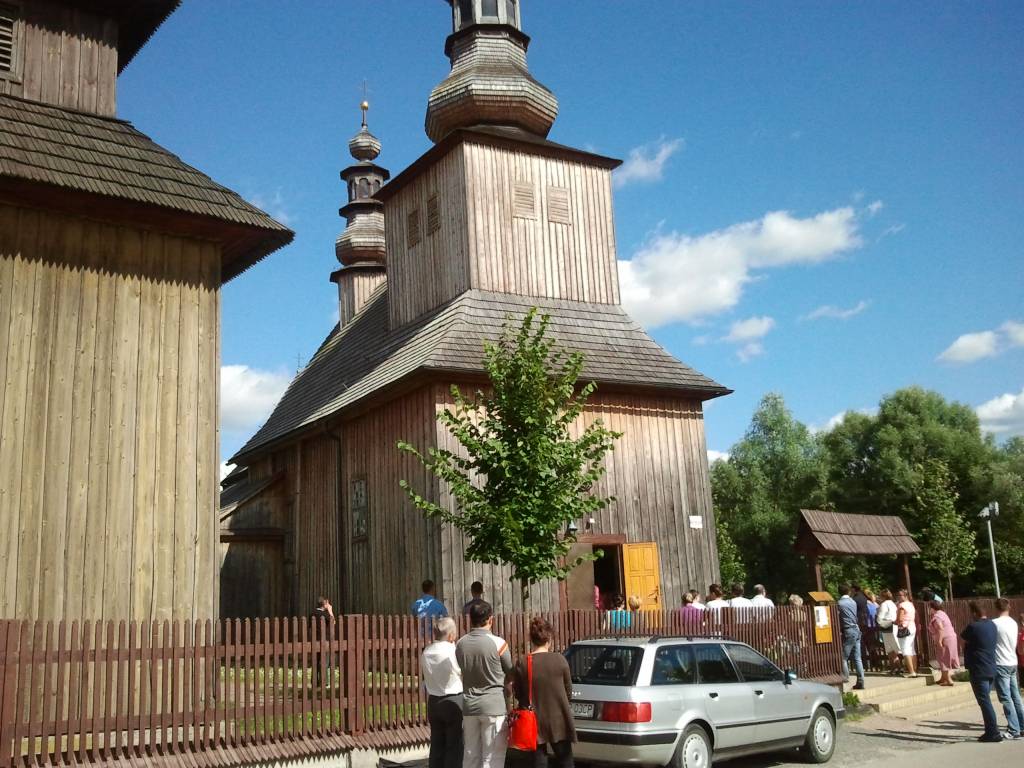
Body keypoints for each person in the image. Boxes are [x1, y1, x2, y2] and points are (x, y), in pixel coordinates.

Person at [512, 617, 576, 767]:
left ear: (532, 639)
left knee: (539, 761)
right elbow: (568, 690)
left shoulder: (523, 662)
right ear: (549, 639)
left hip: (534, 719)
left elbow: (518, 693)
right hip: (558, 718)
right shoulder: (560, 660)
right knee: (566, 761)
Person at [457, 601, 514, 768]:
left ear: (470, 619)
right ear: (490, 619)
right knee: (492, 758)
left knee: (470, 755)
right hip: (493, 706)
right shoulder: (499, 644)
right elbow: (510, 672)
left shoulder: (460, 644)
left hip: (469, 706)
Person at [421, 617, 464, 768]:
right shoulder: (452, 651)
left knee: (437, 745)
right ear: (451, 635)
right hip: (453, 699)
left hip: (434, 701)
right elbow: (461, 671)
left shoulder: (427, 651)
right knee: (454, 746)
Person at [961, 601, 1002, 742]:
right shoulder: (992, 625)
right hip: (991, 666)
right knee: (985, 700)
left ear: (974, 613)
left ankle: (993, 732)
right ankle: (990, 730)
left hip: (979, 668)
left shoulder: (973, 626)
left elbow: (964, 639)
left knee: (984, 702)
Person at [992, 598, 1023, 740]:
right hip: (1012, 661)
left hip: (1001, 662)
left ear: (996, 608)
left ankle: (1013, 728)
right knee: (1015, 696)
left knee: (1005, 697)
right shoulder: (1013, 622)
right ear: (1008, 607)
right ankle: (1022, 725)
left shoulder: (995, 623)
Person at [837, 584, 865, 690]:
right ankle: (861, 681)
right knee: (858, 658)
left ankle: (845, 679)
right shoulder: (853, 602)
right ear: (848, 592)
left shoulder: (840, 603)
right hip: (856, 628)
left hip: (848, 629)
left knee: (843, 657)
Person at [927, 600, 960, 687]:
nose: (928, 610)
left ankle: (948, 680)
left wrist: (939, 640)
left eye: (929, 607)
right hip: (951, 637)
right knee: (946, 657)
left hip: (944, 639)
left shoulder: (937, 617)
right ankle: (943, 678)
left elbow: (940, 628)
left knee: (943, 658)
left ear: (932, 608)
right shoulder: (943, 614)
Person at [311, 596, 335, 687]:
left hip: (315, 640)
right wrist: (330, 610)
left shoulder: (312, 613)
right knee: (324, 661)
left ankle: (315, 681)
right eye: (327, 603)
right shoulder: (325, 614)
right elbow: (333, 622)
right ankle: (324, 682)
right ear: (324, 604)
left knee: (315, 661)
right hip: (325, 641)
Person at [876, 589, 901, 674]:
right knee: (894, 648)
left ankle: (894, 668)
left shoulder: (884, 604)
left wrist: (879, 621)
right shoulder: (893, 604)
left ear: (883, 596)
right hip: (894, 626)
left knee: (889, 649)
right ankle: (898, 667)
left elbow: (880, 618)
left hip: (887, 626)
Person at [895, 588, 918, 677]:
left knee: (905, 650)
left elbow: (899, 619)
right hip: (912, 627)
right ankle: (914, 670)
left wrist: (894, 622)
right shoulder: (911, 604)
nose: (898, 597)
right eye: (898, 595)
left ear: (905, 596)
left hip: (904, 628)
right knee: (912, 649)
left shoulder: (902, 605)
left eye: (900, 595)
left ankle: (911, 672)